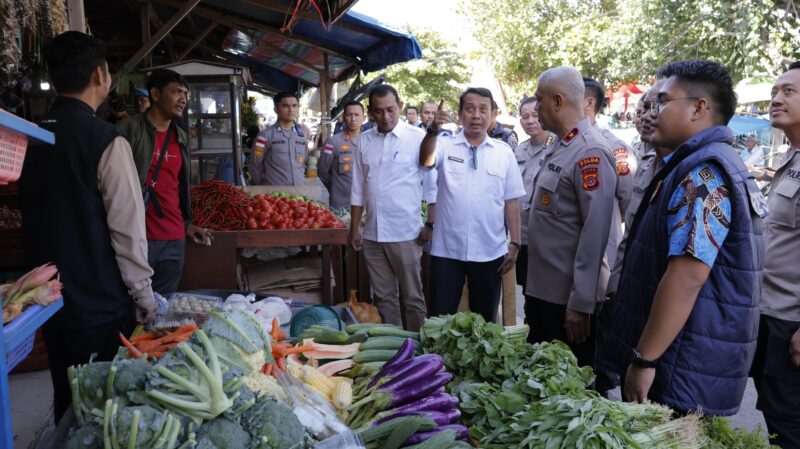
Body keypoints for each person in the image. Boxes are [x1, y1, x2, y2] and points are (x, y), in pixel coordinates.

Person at [608, 60, 765, 416]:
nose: (652, 111)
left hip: (680, 365)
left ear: (698, 108)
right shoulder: (695, 163)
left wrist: (644, 359)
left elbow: (686, 280)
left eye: (663, 101)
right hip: (682, 356)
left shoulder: (704, 173)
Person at [18, 31, 156, 422]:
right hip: (99, 306)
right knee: (104, 412)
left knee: (68, 403)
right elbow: (127, 229)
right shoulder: (107, 141)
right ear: (100, 75)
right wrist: (143, 294)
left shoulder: (31, 135)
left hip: (49, 301)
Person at [525, 66, 618, 367]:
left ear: (558, 101)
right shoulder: (562, 146)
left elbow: (595, 235)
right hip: (544, 292)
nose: (535, 107)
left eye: (539, 100)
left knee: (568, 388)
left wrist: (581, 303)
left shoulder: (590, 152)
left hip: (566, 303)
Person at [419, 89, 525, 323]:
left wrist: (515, 242)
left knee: (484, 323)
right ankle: (439, 361)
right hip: (447, 251)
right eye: (470, 109)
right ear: (460, 115)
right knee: (440, 319)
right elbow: (425, 160)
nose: (476, 115)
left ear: (493, 114)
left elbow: (511, 201)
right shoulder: (445, 145)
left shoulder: (504, 153)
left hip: (490, 252)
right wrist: (433, 130)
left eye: (483, 109)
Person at [597, 80, 670, 396]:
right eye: (643, 109)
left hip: (662, 300)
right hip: (629, 287)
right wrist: (615, 282)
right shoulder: (641, 159)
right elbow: (628, 229)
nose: (646, 116)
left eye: (657, 107)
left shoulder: (687, 168)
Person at [118, 69, 211, 295]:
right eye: (176, 92)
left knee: (164, 305)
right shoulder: (129, 130)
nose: (183, 100)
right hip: (139, 237)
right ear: (156, 94)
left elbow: (177, 186)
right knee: (133, 304)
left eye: (186, 94)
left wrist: (186, 225)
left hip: (174, 237)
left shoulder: (180, 136)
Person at [350, 85, 430, 331]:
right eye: (378, 111)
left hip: (406, 233)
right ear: (370, 112)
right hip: (373, 234)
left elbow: (433, 187)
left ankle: (418, 349)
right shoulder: (363, 140)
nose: (385, 117)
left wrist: (430, 224)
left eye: (390, 110)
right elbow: (357, 187)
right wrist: (354, 228)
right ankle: (393, 348)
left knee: (413, 298)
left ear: (401, 106)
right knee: (383, 298)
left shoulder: (418, 139)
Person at [750, 61, 800, 449]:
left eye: (789, 92)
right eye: (775, 91)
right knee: (775, 419)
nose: (776, 99)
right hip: (770, 311)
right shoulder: (790, 157)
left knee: (789, 425)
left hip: (792, 319)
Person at [582, 77, 636, 272]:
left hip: (602, 245)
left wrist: (609, 215)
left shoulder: (614, 147)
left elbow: (626, 195)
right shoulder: (560, 143)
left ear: (589, 103)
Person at [514, 96, 556, 295]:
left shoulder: (557, 146)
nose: (530, 121)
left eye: (535, 115)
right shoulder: (519, 149)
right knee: (525, 289)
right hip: (522, 237)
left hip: (545, 238)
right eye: (525, 116)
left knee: (544, 293)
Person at [251, 91, 310, 185]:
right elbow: (255, 166)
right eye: (285, 106)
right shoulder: (264, 136)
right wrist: (261, 190)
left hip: (298, 195)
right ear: (276, 109)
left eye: (294, 106)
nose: (291, 110)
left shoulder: (302, 135)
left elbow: (304, 162)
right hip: (274, 196)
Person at [318, 101, 364, 210]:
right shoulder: (332, 142)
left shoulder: (370, 141)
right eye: (349, 115)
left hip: (365, 204)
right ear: (343, 117)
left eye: (357, 115)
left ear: (364, 117)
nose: (353, 119)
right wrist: (335, 188)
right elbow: (322, 171)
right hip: (341, 205)